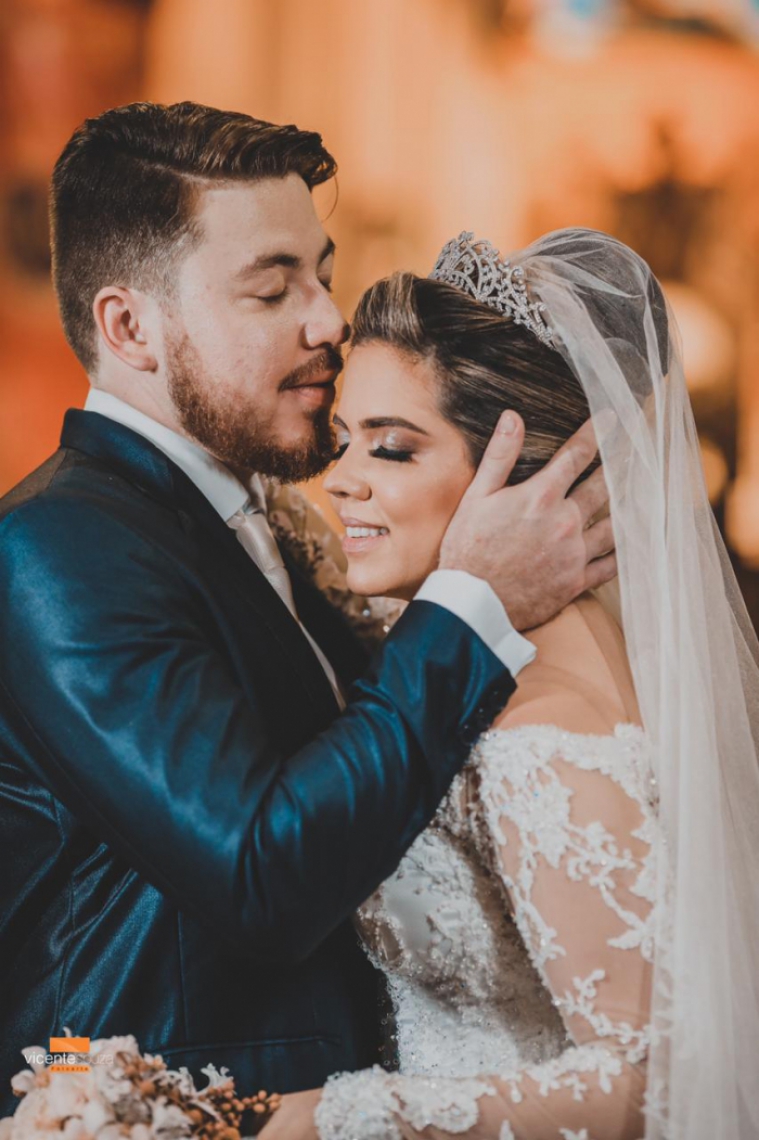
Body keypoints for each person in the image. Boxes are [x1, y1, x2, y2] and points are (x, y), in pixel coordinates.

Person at [0, 106, 616, 1116]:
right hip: (171, 1114)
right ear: (129, 328)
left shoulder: (270, 521)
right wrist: (473, 603)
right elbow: (260, 874)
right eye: (272, 287)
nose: (329, 319)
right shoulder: (59, 547)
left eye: (321, 276)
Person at [261, 230, 759, 1140]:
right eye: (343, 441)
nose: (341, 481)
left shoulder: (539, 734)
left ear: (522, 477)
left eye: (392, 449)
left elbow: (655, 1082)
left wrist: (334, 1117)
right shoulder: (485, 654)